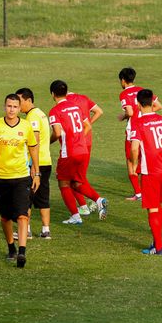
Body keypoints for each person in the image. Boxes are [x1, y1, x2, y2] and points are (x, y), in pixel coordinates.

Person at [0, 94, 40, 268]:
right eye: (9, 106)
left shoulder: (26, 126)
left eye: (15, 106)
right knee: (5, 217)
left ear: (20, 108)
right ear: (4, 106)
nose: (11, 109)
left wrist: (36, 173)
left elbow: (34, 150)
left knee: (22, 215)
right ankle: (11, 248)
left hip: (21, 177)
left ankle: (22, 252)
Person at [130, 89, 162, 255]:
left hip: (151, 171)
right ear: (152, 103)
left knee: (152, 208)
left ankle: (158, 247)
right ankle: (156, 241)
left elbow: (134, 147)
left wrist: (134, 162)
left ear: (138, 104)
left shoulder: (138, 123)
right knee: (157, 206)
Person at [49, 80, 107, 224]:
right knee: (77, 183)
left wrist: (46, 143)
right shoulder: (75, 107)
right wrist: (79, 138)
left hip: (68, 152)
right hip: (83, 149)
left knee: (63, 183)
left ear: (52, 94)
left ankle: (75, 216)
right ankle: (99, 201)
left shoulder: (55, 111)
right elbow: (87, 125)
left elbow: (56, 133)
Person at [118, 67, 162, 201]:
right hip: (146, 130)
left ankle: (138, 193)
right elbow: (159, 106)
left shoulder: (124, 94)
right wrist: (145, 115)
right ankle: (149, 190)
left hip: (133, 132)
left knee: (131, 162)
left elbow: (130, 112)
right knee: (144, 161)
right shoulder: (143, 91)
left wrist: (123, 116)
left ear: (123, 80)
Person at [16, 87, 52, 239]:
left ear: (28, 100)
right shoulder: (41, 113)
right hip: (46, 160)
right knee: (43, 196)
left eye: (20, 101)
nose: (18, 106)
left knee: (26, 197)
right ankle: (45, 230)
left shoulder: (32, 117)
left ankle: (27, 231)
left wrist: (33, 166)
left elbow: (34, 141)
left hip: (36, 163)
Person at [66, 90, 104, 215]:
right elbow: (99, 111)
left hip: (76, 144)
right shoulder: (84, 98)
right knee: (78, 176)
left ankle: (94, 202)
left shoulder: (65, 103)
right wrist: (88, 124)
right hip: (87, 142)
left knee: (73, 178)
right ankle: (86, 205)